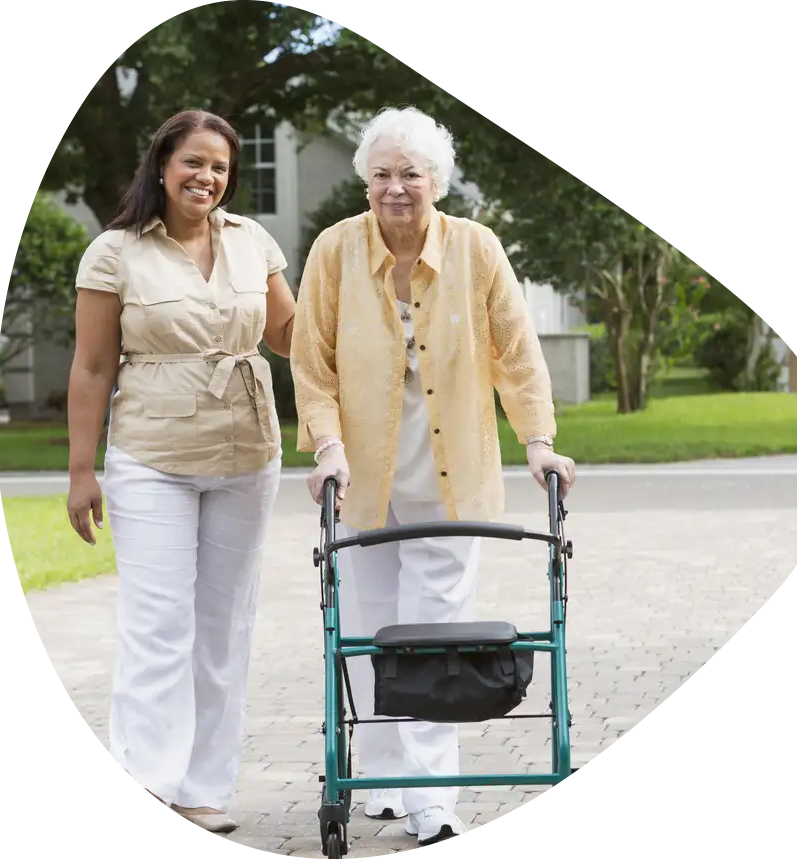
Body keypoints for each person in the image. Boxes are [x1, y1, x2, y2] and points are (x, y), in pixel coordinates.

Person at [290, 106, 576, 847]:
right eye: (381, 174)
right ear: (365, 181)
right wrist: (325, 447)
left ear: (436, 181)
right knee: (367, 635)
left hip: (454, 480)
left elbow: (517, 354)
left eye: (409, 173)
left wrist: (538, 443)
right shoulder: (334, 251)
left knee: (433, 642)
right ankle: (383, 779)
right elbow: (311, 362)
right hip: (362, 477)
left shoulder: (476, 249)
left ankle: (430, 800)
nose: (394, 188)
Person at [65, 109, 296, 835]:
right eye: (194, 162)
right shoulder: (114, 251)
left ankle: (202, 786)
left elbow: (290, 334)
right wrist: (80, 470)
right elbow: (94, 365)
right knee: (158, 623)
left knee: (225, 625)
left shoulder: (251, 241)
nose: (207, 177)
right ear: (162, 164)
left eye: (220, 167)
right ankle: (146, 779)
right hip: (151, 456)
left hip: (247, 452)